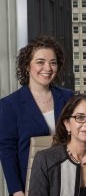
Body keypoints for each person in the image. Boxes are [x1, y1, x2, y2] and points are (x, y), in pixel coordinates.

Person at [0, 36, 73, 196]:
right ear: (27, 66)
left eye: (53, 62)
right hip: (31, 183)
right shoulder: (10, 104)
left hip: (69, 178)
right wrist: (16, 190)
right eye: (40, 62)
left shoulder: (70, 98)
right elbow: (7, 150)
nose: (47, 68)